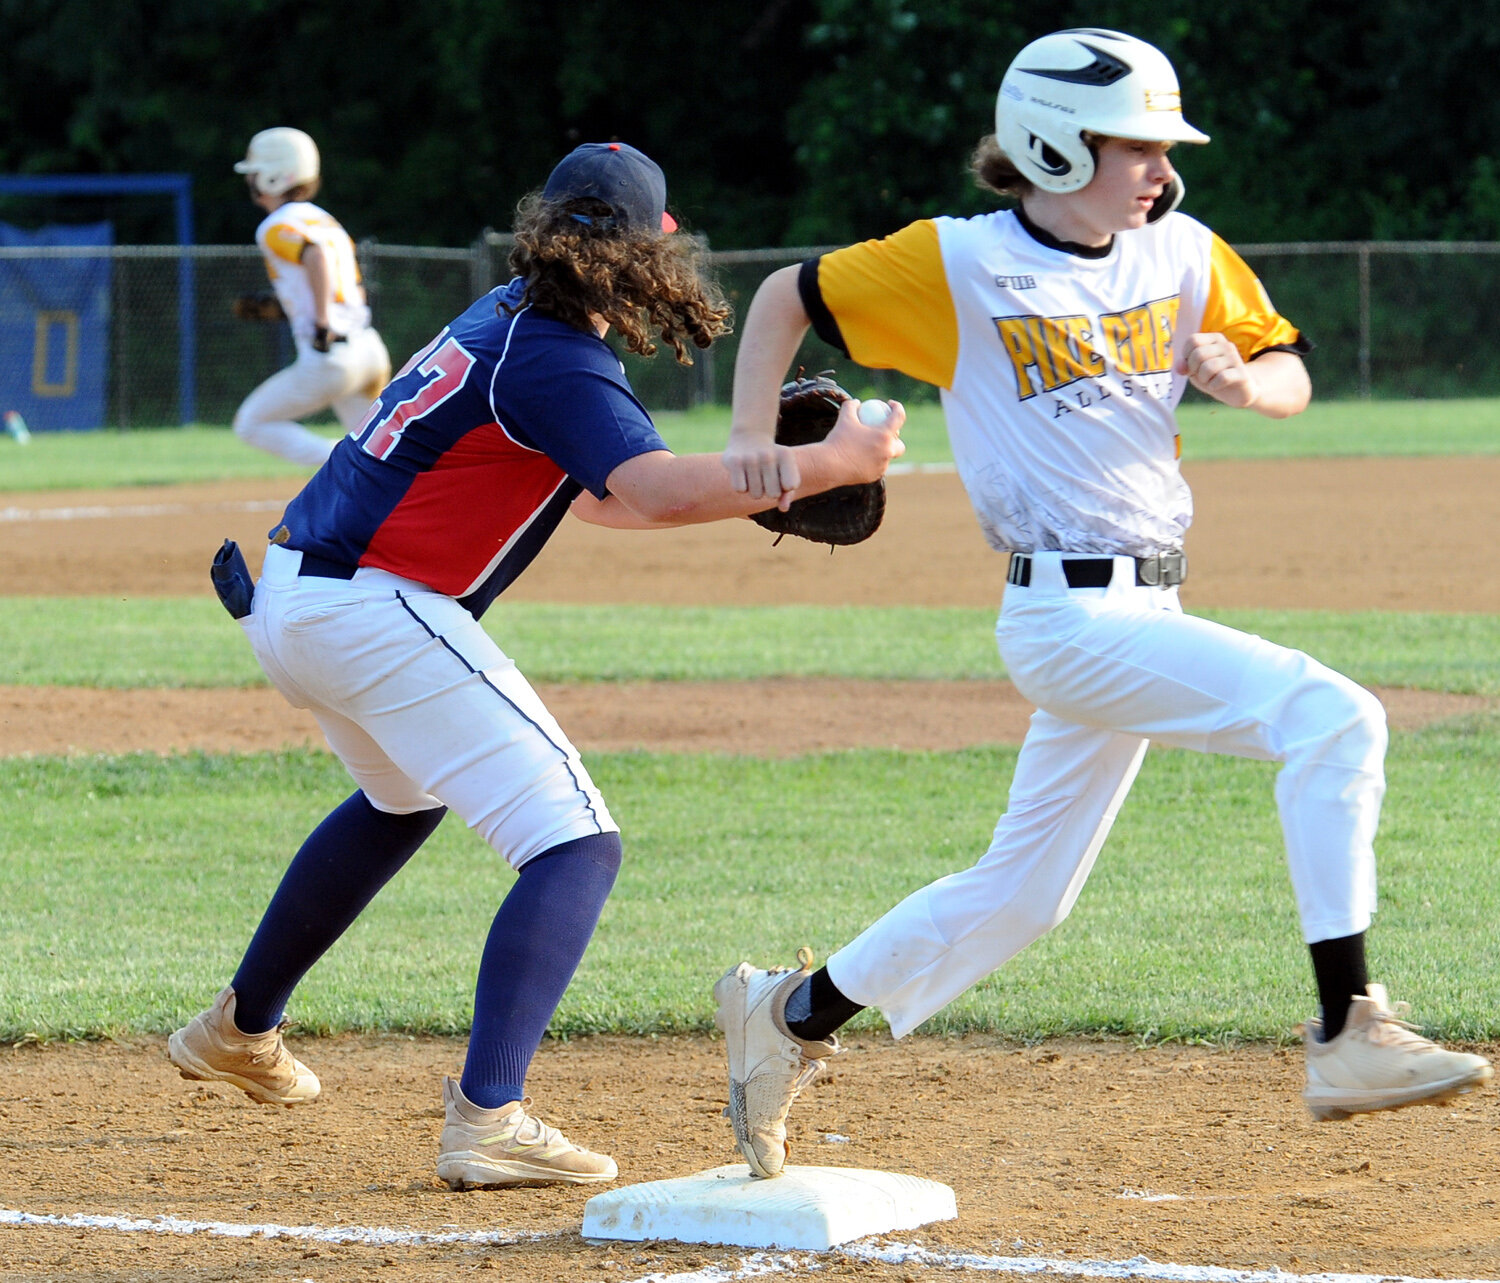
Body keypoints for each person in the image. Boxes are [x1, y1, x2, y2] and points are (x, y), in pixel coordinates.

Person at [712, 28, 1492, 1179]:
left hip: (1148, 613)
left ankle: (787, 1013)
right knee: (1337, 717)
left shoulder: (1180, 252)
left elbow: (1289, 369)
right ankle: (1346, 1025)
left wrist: (1248, 382)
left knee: (1024, 894)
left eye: (1164, 149)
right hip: (1064, 619)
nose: (1162, 170)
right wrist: (744, 443)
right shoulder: (960, 262)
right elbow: (790, 292)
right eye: (1139, 147)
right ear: (1053, 144)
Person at [168, 141, 905, 1189]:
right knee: (577, 843)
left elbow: (606, 496)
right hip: (369, 608)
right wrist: (831, 462)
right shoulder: (555, 354)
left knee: (399, 798)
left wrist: (768, 483)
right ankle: (487, 1116)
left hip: (298, 592)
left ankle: (238, 1028)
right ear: (658, 248)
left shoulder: (508, 322)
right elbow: (647, 490)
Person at [231, 127, 392, 467]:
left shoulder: (275, 226)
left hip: (331, 359)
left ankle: (343, 463)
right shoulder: (324, 219)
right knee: (382, 455)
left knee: (250, 424)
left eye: (256, 173)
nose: (252, 180)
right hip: (368, 349)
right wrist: (288, 310)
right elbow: (340, 283)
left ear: (274, 176)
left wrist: (320, 323)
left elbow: (314, 256)